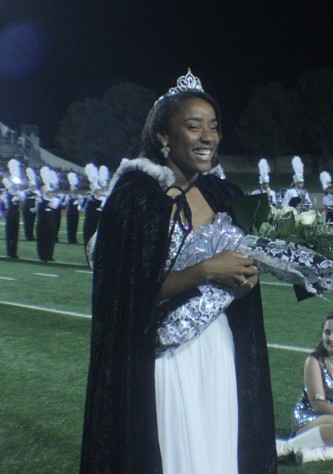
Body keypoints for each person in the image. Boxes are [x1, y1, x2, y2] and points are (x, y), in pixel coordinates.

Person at [80, 69, 276, 474]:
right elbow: (123, 296)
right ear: (163, 136)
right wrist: (205, 271)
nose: (208, 137)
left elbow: (242, 269)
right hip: (164, 357)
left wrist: (245, 277)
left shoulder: (224, 195)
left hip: (220, 349)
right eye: (193, 126)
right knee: (174, 456)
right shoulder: (135, 198)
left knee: (218, 452)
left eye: (214, 127)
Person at [276, 312, 333, 464]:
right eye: (327, 332)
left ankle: (310, 455)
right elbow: (318, 404)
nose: (331, 338)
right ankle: (285, 447)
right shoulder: (314, 361)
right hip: (310, 416)